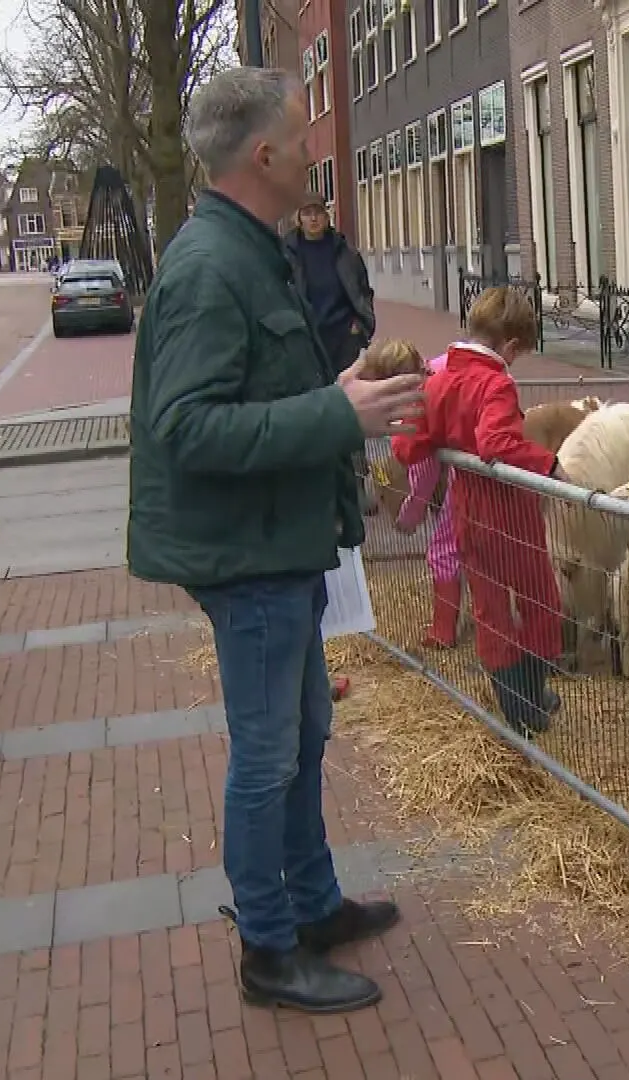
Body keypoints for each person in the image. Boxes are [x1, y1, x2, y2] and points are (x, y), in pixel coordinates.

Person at [127, 67, 426, 1015]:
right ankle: (269, 947)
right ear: (263, 155)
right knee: (267, 755)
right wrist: (338, 415)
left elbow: (254, 392)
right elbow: (188, 428)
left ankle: (311, 902)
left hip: (278, 544)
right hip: (247, 555)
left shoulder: (251, 252)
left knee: (303, 733)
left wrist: (339, 393)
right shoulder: (210, 268)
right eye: (302, 143)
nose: (312, 159)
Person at [392, 287, 564, 737]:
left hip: (467, 511)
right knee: (539, 601)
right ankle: (531, 696)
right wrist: (549, 464)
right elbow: (496, 443)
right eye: (518, 354)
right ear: (510, 345)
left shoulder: (437, 380)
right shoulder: (495, 383)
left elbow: (408, 446)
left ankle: (514, 709)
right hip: (509, 513)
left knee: (490, 610)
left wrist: (439, 444)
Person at [364, 339, 464, 650]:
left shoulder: (417, 412)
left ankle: (443, 632)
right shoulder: (442, 366)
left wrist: (409, 518)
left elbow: (424, 475)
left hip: (467, 472)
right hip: (486, 452)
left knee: (443, 550)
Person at [283, 194, 376, 372]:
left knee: (346, 385)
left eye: (318, 213)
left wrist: (359, 325)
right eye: (307, 213)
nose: (313, 219)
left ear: (327, 216)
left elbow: (362, 289)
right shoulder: (287, 253)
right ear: (299, 218)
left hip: (344, 334)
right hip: (307, 335)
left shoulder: (344, 250)